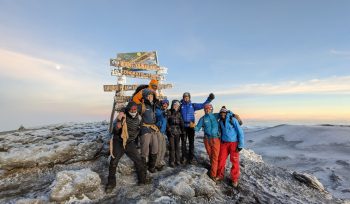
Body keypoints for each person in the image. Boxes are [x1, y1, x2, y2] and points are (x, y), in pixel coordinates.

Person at [106, 102, 147, 193]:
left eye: (135, 109)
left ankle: (142, 180)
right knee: (113, 162)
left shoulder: (139, 118)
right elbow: (114, 131)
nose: (133, 111)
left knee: (138, 160)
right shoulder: (122, 117)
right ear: (128, 110)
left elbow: (139, 130)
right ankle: (111, 183)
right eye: (131, 109)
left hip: (130, 143)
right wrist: (118, 124)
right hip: (119, 141)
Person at [180, 92, 215, 164]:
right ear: (183, 98)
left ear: (189, 98)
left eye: (187, 97)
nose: (186, 98)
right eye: (185, 97)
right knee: (183, 143)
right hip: (183, 127)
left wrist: (209, 99)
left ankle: (191, 158)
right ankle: (183, 157)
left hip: (191, 127)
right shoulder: (181, 106)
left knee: (191, 143)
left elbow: (203, 105)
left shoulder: (193, 105)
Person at [216, 106, 245, 188]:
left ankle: (234, 179)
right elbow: (219, 132)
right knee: (221, 159)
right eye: (221, 113)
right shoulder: (220, 122)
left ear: (226, 113)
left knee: (234, 161)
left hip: (234, 143)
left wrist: (240, 145)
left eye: (224, 113)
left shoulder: (233, 120)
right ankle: (220, 175)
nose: (222, 114)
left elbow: (240, 132)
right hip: (224, 143)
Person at [194, 103, 220, 180]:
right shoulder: (202, 118)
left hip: (215, 139)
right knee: (211, 155)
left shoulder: (215, 116)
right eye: (205, 109)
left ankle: (213, 175)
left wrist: (233, 115)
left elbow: (225, 113)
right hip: (207, 139)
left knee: (215, 156)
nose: (207, 110)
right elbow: (197, 128)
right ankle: (214, 169)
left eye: (209, 108)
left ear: (211, 109)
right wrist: (193, 126)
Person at [139, 88, 159, 173]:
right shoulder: (142, 105)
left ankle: (151, 167)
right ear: (145, 96)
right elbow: (130, 109)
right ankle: (143, 169)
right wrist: (122, 112)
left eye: (152, 96)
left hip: (153, 129)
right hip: (145, 129)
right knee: (144, 150)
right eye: (149, 95)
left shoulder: (153, 105)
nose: (151, 97)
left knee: (155, 148)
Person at [166, 100, 184, 167]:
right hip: (171, 131)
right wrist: (168, 129)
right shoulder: (169, 112)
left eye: (177, 105)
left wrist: (183, 130)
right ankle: (172, 161)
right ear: (172, 105)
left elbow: (181, 122)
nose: (176, 106)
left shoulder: (179, 113)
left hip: (178, 131)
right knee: (172, 147)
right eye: (175, 105)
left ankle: (178, 160)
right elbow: (166, 121)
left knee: (177, 146)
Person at [155, 99, 169, 171]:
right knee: (159, 148)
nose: (165, 105)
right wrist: (163, 113)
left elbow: (165, 122)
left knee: (163, 148)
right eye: (164, 103)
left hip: (163, 132)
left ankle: (160, 161)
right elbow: (158, 116)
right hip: (158, 131)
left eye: (166, 104)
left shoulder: (166, 112)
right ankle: (157, 163)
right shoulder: (158, 110)